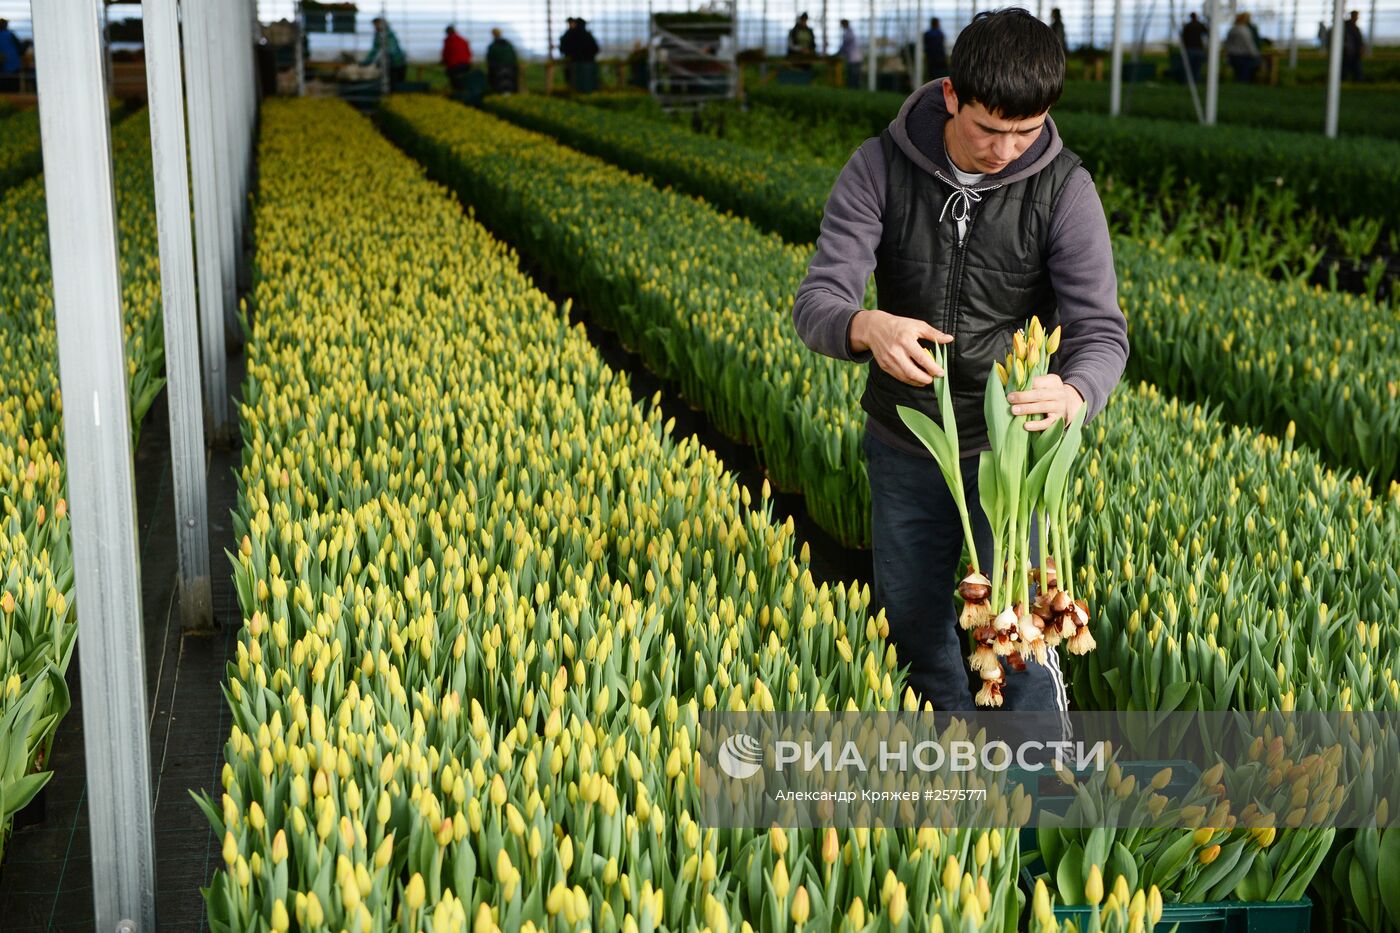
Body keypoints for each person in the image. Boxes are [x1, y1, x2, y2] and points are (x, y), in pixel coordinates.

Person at [791, 8, 1127, 723]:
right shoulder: (878, 167)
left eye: (1025, 132)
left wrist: (1075, 390)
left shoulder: (1064, 190)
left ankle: (1041, 794)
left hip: (1010, 461)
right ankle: (951, 776)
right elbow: (817, 300)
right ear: (951, 96)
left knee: (1018, 636)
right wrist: (864, 325)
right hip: (906, 442)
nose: (1006, 150)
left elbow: (1100, 330)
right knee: (912, 622)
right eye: (988, 128)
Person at [362, 17, 406, 89]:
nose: (375, 27)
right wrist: (367, 61)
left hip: (396, 64)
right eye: (374, 25)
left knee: (395, 85)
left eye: (377, 24)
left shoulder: (389, 35)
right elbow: (374, 50)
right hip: (387, 64)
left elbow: (391, 50)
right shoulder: (378, 35)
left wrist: (372, 61)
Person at [1224, 12, 1260, 83]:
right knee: (1244, 74)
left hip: (1232, 55)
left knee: (1237, 73)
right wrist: (1255, 54)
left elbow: (1227, 43)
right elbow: (1249, 43)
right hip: (1243, 56)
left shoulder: (1232, 29)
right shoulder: (1244, 30)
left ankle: (1238, 85)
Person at [486, 28, 519, 93]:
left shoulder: (493, 46)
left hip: (498, 71)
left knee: (499, 89)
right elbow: (514, 57)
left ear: (493, 34)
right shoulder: (508, 45)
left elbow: (490, 59)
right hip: (510, 70)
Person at [441, 25, 472, 93]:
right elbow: (469, 53)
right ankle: (464, 94)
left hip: (454, 66)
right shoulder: (463, 40)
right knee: (464, 82)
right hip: (465, 65)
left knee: (455, 83)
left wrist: (443, 62)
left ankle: (457, 95)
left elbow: (446, 53)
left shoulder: (448, 41)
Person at [1179, 12, 1207, 81]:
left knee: (1188, 67)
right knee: (1197, 67)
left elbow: (1183, 37)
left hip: (1190, 49)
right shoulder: (1200, 25)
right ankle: (1196, 80)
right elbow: (1207, 32)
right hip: (1198, 48)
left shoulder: (1187, 26)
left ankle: (1187, 80)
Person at [837, 19, 862, 88]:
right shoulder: (850, 32)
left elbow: (844, 46)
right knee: (854, 76)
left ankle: (854, 89)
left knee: (853, 76)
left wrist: (838, 53)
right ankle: (854, 89)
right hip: (855, 57)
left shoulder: (848, 33)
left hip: (854, 58)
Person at [0, 18, 23, 92]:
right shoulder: (10, 35)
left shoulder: (9, 34)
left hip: (4, 67)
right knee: (14, 88)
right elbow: (20, 49)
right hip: (13, 66)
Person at [1343, 10, 1365, 81]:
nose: (1357, 18)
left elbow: (1359, 41)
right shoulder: (1347, 27)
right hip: (1348, 52)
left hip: (1353, 53)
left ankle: (1356, 81)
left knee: (1355, 69)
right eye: (1356, 16)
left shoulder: (1355, 27)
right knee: (1346, 69)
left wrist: (1361, 48)